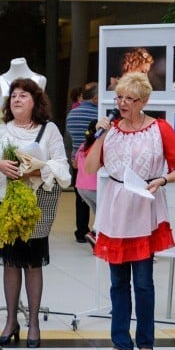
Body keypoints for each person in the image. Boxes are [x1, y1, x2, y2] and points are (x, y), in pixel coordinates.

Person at [86, 72, 175, 350]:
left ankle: (146, 343)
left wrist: (162, 180)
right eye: (119, 97)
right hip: (116, 208)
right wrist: (102, 133)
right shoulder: (111, 130)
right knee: (117, 281)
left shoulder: (160, 129)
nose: (122, 103)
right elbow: (91, 167)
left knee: (143, 281)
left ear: (143, 101)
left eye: (130, 99)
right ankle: (121, 342)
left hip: (145, 204)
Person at [0, 78, 70, 348]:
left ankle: (34, 323)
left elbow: (63, 166)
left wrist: (37, 169)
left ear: (36, 101)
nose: (16, 99)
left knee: (33, 263)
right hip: (6, 203)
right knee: (11, 262)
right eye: (13, 96)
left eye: (23, 95)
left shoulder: (49, 131)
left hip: (36, 204)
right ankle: (11, 320)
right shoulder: (1, 131)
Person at [64, 83, 98, 243]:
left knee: (81, 199)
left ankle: (81, 230)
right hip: (95, 162)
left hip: (78, 160)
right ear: (96, 97)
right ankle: (99, 231)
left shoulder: (72, 114)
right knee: (100, 200)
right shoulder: (99, 114)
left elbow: (71, 136)